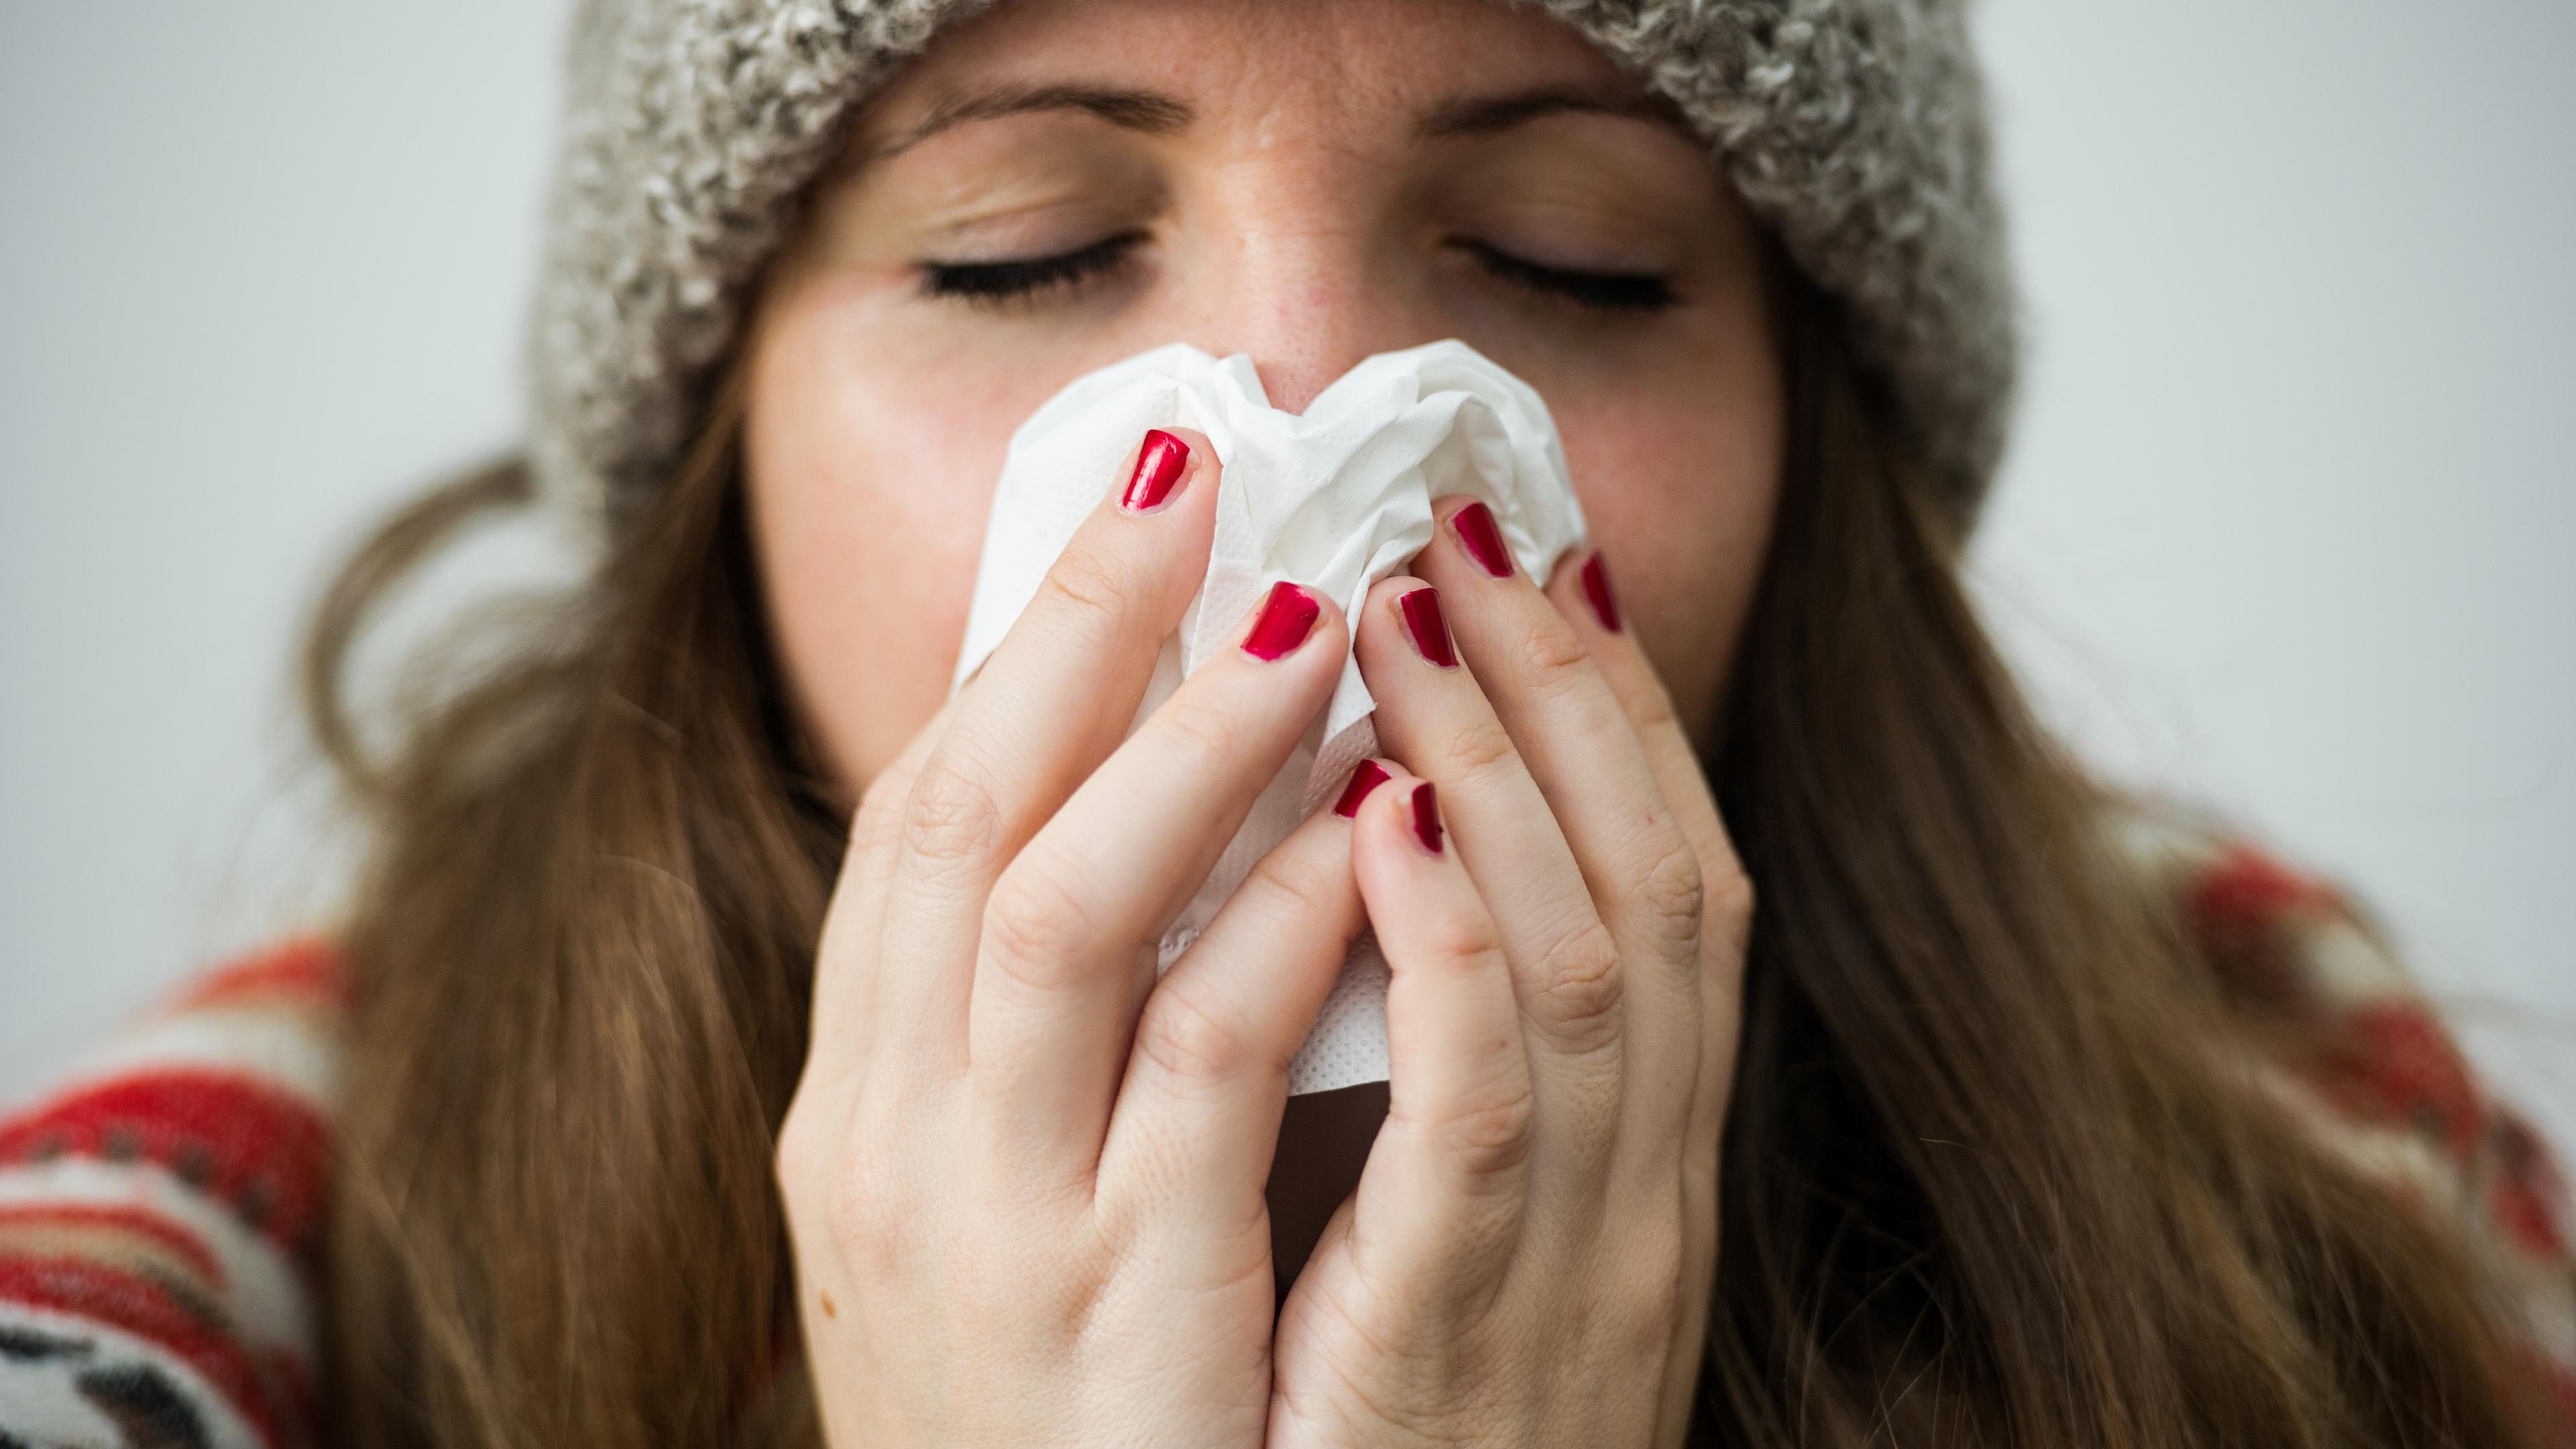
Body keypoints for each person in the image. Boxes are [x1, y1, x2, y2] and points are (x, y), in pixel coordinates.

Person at [1, 0, 2567, 1444]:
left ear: (1821, 452)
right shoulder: (158, 1334)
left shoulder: (2385, 1307)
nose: (1313, 425)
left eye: (1568, 260)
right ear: (721, 451)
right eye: (1028, 254)